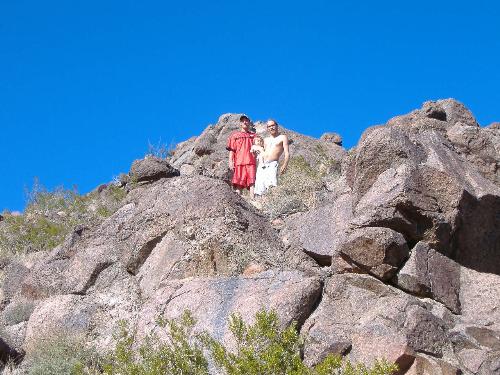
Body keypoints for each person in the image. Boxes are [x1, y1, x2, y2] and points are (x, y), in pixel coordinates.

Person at [254, 119, 289, 196]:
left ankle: (272, 203)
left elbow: (287, 153)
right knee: (260, 186)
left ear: (277, 126)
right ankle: (260, 205)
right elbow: (260, 151)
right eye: (269, 126)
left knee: (272, 185)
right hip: (262, 165)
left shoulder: (283, 137)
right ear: (267, 128)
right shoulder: (265, 140)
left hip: (272, 164)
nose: (271, 127)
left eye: (273, 125)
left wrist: (285, 164)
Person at [226, 115, 256, 198]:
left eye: (246, 120)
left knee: (252, 182)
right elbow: (232, 150)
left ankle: (253, 199)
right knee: (239, 183)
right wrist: (230, 162)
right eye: (243, 121)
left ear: (249, 123)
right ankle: (238, 200)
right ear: (240, 123)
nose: (245, 122)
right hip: (239, 161)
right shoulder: (235, 136)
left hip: (251, 161)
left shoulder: (254, 136)